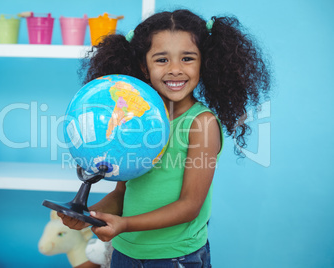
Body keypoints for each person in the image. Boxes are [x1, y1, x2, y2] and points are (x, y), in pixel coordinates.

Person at [59, 9, 271, 267]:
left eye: (187, 58)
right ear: (143, 67)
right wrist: (89, 215)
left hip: (175, 256)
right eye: (161, 60)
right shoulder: (133, 120)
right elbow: (123, 191)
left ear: (204, 63)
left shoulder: (200, 124)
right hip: (125, 252)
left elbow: (189, 206)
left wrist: (124, 224)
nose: (175, 70)